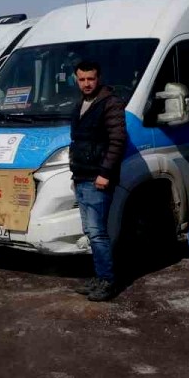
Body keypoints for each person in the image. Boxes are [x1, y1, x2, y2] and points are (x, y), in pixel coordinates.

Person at [68, 61, 127, 302]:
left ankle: (107, 281)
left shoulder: (110, 103)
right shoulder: (80, 103)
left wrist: (105, 173)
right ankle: (99, 275)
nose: (86, 84)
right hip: (81, 176)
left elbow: (118, 140)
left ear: (98, 78)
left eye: (90, 79)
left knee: (97, 232)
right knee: (90, 232)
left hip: (97, 178)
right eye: (82, 79)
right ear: (76, 79)